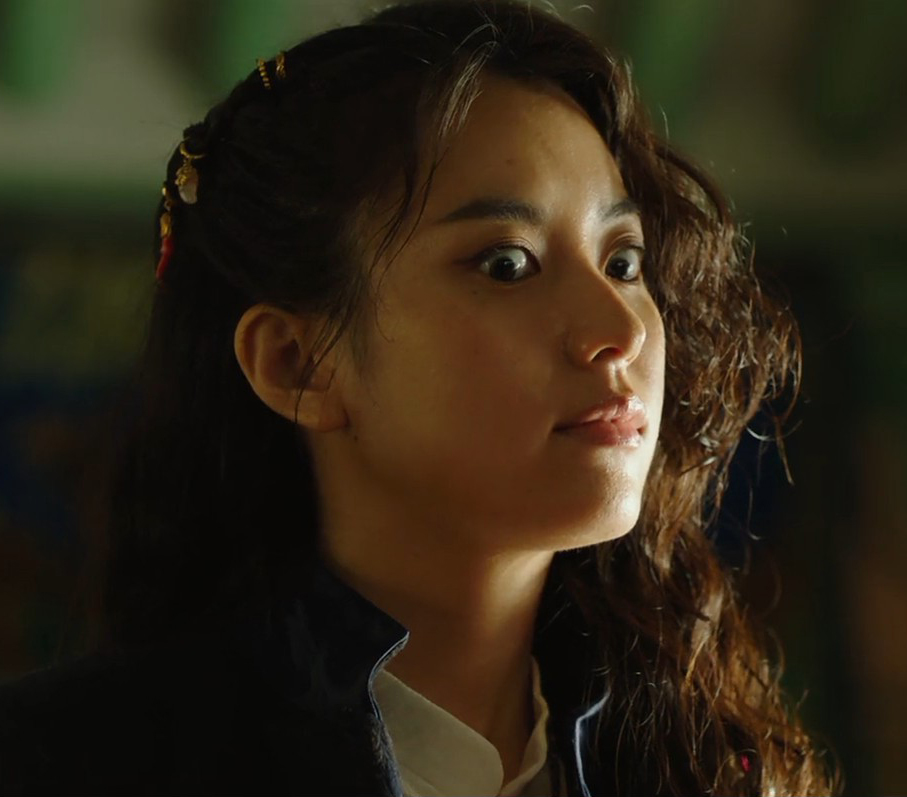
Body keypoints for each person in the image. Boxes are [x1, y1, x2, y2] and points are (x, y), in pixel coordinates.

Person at [0, 1, 840, 794]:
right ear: (297, 363)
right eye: (507, 264)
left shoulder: (711, 768)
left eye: (622, 261)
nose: (617, 329)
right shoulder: (67, 763)